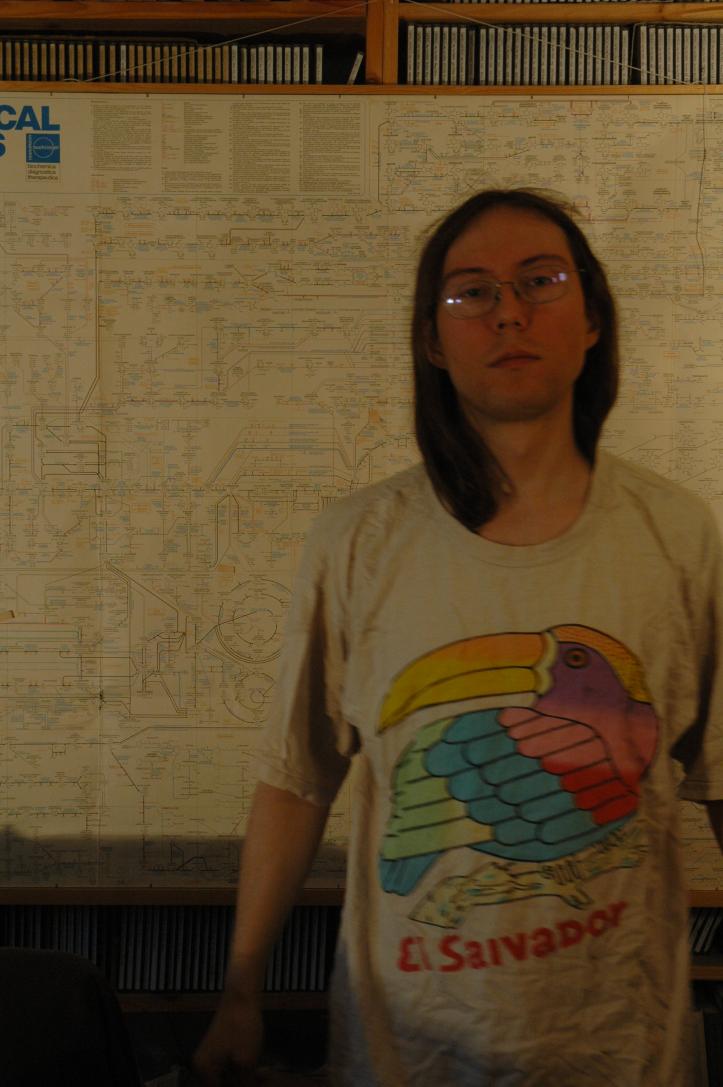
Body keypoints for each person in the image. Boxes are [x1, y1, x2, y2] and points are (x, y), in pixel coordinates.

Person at [194, 189, 723, 1086]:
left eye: (540, 281)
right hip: (411, 1049)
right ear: (432, 341)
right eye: (470, 291)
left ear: (592, 317)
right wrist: (241, 989)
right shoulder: (358, 541)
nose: (508, 312)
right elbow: (295, 777)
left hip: (620, 1046)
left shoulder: (675, 535)